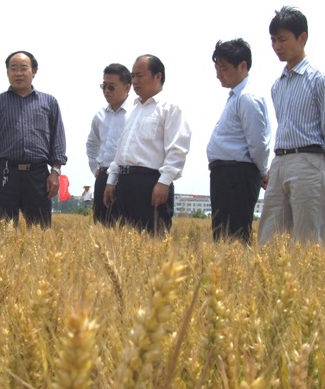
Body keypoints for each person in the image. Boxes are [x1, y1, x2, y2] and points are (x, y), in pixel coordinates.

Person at [258, 6, 325, 246]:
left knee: (307, 243)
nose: (277, 46)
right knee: (268, 241)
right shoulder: (277, 86)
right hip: (280, 162)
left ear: (302, 38)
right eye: (273, 40)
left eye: (283, 39)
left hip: (309, 161)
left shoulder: (321, 81)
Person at [0, 51, 67, 228]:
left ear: (34, 71)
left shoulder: (49, 102)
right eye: (13, 69)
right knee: (1, 231)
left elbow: (58, 141)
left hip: (38, 175)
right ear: (7, 72)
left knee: (41, 231)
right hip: (5, 175)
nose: (18, 73)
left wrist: (55, 173)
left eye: (24, 68)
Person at [103, 54, 191, 235]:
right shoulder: (133, 111)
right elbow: (121, 150)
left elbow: (177, 149)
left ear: (158, 76)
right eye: (132, 76)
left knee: (153, 240)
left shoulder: (170, 107)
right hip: (124, 184)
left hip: (150, 184)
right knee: (124, 242)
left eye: (140, 76)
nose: (134, 81)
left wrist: (164, 182)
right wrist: (111, 180)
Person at [207, 39, 270, 244]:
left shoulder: (247, 98)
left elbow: (258, 143)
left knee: (234, 238)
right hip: (226, 175)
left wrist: (263, 172)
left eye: (223, 68)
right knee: (223, 238)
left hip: (237, 176)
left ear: (243, 66)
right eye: (217, 68)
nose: (218, 74)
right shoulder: (236, 96)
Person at [86, 63, 134, 225]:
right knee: (101, 225)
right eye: (104, 86)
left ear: (127, 87)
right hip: (103, 174)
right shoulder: (99, 116)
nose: (107, 91)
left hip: (126, 177)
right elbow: (92, 144)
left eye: (112, 87)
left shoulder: (135, 113)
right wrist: (95, 169)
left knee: (127, 226)